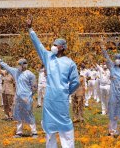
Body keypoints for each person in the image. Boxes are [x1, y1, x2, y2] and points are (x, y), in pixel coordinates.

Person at [27, 16, 80, 148]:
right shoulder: (48, 57)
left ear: (62, 47)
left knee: (65, 125)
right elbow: (38, 44)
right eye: (53, 44)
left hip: (61, 99)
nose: (53, 46)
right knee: (49, 126)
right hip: (49, 99)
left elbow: (75, 82)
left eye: (56, 44)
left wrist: (66, 92)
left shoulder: (69, 63)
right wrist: (30, 28)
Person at [0, 57, 38, 138]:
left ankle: (34, 132)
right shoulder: (16, 72)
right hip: (18, 98)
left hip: (27, 98)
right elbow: (7, 67)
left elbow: (34, 87)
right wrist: (0, 61)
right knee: (18, 114)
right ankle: (19, 132)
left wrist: (30, 95)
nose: (18, 66)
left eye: (20, 64)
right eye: (18, 64)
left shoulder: (30, 74)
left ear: (24, 65)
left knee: (29, 114)